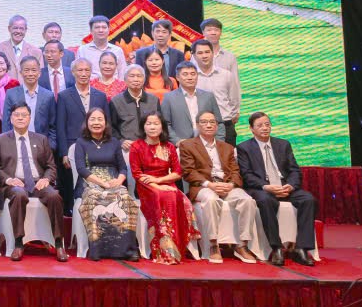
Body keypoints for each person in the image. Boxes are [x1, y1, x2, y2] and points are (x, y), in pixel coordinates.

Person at [235, 112, 317, 267]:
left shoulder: (283, 144)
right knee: (266, 201)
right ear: (251, 129)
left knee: (308, 199)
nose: (265, 128)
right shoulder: (244, 148)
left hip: (284, 186)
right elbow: (246, 175)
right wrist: (267, 187)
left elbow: (294, 170)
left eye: (267, 124)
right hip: (262, 188)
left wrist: (290, 185)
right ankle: (276, 247)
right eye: (260, 125)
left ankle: (301, 248)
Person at [179, 111, 258, 264]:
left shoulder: (227, 147)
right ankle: (213, 244)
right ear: (197, 125)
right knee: (211, 200)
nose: (208, 125)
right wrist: (210, 185)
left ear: (217, 126)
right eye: (204, 122)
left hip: (226, 185)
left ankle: (242, 245)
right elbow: (188, 172)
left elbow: (235, 171)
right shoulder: (187, 145)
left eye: (212, 122)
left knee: (247, 200)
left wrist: (231, 185)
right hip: (203, 186)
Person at [0, 103, 67, 261]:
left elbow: (51, 166)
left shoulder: (41, 139)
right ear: (11, 118)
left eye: (24, 115)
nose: (20, 118)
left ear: (29, 118)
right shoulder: (0, 140)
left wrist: (46, 179)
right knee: (19, 195)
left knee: (54, 196)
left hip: (38, 182)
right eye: (17, 115)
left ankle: (58, 243)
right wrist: (8, 179)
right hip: (14, 183)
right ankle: (19, 243)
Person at [129, 112, 197, 265]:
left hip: (165, 182)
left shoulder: (169, 147)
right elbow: (137, 174)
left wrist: (160, 181)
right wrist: (156, 186)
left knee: (177, 196)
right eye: (148, 124)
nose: (152, 127)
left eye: (156, 123)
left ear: (162, 127)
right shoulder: (136, 146)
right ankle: (164, 251)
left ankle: (177, 246)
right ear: (143, 127)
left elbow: (177, 172)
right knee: (162, 195)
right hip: (145, 185)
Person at [73, 107, 140, 261]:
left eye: (100, 119)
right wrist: (102, 183)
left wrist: (119, 180)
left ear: (105, 122)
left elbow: (122, 167)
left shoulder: (114, 142)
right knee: (95, 198)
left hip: (113, 181)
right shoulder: (81, 142)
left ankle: (128, 249)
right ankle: (97, 249)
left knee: (125, 200)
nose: (96, 123)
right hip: (89, 182)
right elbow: (81, 169)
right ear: (87, 122)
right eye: (92, 119)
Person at [55, 58, 110, 211]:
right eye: (80, 70)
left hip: (97, 145)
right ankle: (74, 211)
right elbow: (60, 127)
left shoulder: (100, 96)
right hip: (73, 146)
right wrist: (64, 153)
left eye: (87, 70)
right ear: (73, 72)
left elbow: (107, 123)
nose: (83, 74)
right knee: (74, 183)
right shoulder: (64, 96)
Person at [192, 39, 241, 146]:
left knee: (227, 155)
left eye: (207, 52)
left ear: (213, 53)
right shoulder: (190, 77)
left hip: (225, 124)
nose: (204, 56)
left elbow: (234, 99)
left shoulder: (226, 75)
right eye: (200, 53)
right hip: (199, 127)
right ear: (194, 56)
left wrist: (230, 117)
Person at [4, 56, 58, 151]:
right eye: (26, 70)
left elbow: (53, 125)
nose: (30, 74)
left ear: (39, 73)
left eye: (33, 70)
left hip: (42, 146)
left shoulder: (48, 96)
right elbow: (6, 123)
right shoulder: (11, 94)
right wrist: (8, 146)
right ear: (21, 73)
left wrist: (51, 146)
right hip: (17, 145)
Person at [161, 62, 223, 144]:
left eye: (193, 74)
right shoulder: (169, 98)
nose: (190, 77)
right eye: (185, 74)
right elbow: (165, 124)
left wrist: (219, 142)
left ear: (197, 76)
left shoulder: (208, 96)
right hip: (181, 144)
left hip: (207, 143)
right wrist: (177, 141)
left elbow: (219, 122)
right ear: (178, 77)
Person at [109, 65, 159, 155]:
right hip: (128, 147)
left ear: (144, 79)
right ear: (125, 79)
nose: (136, 79)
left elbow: (160, 124)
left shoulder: (154, 100)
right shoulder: (116, 101)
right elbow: (111, 126)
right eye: (132, 76)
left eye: (139, 76)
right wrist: (121, 141)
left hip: (151, 146)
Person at [76, 16, 127, 80]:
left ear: (108, 30)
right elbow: (78, 73)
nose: (101, 30)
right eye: (97, 27)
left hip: (113, 85)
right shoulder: (82, 50)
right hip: (90, 85)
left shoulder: (117, 50)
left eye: (104, 27)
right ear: (91, 31)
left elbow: (122, 74)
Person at [0, 14, 42, 80]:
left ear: (26, 30)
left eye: (21, 28)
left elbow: (40, 76)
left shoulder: (36, 52)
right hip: (5, 86)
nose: (18, 31)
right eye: (15, 28)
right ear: (9, 29)